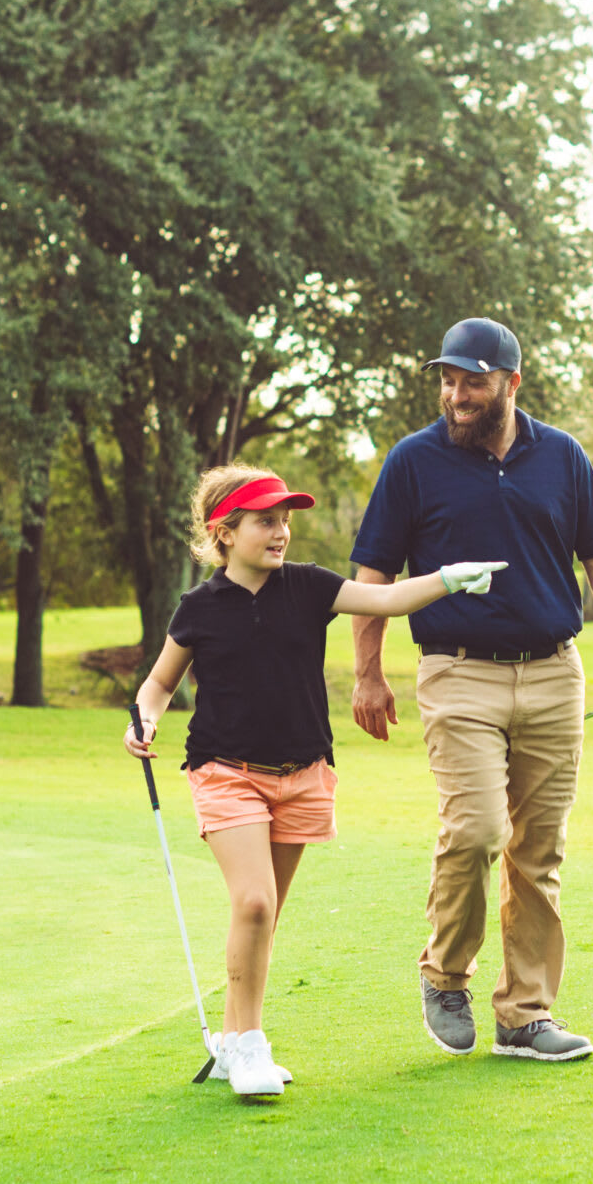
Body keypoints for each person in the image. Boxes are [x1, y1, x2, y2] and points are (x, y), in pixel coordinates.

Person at [125, 464, 506, 1098]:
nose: (281, 532)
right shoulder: (199, 608)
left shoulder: (308, 587)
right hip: (225, 771)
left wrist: (447, 578)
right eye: (265, 522)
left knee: (264, 915)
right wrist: (143, 718)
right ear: (224, 532)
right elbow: (160, 683)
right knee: (254, 903)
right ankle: (251, 1047)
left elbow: (385, 600)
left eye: (285, 521)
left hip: (302, 774)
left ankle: (231, 1041)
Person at [348, 317, 593, 1062]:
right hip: (457, 671)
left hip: (554, 671)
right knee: (478, 831)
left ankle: (524, 1014)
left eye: (473, 382)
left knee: (539, 850)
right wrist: (367, 672)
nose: (457, 395)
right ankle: (445, 974)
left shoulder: (562, 456)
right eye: (449, 381)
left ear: (511, 383)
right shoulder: (413, 461)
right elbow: (373, 574)